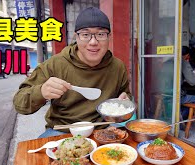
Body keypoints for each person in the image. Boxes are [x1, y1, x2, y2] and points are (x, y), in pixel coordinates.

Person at [13, 7, 131, 138]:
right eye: (85, 35)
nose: (93, 42)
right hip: (62, 130)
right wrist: (41, 92)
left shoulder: (118, 67)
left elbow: (126, 97)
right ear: (76, 37)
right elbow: (19, 103)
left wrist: (125, 102)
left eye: (100, 34)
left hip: (103, 129)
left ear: (109, 37)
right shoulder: (55, 64)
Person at [181, 46, 195, 119]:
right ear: (187, 55)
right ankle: (181, 117)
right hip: (175, 96)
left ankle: (180, 113)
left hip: (162, 93)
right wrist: (194, 74)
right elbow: (192, 82)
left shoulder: (168, 60)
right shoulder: (183, 62)